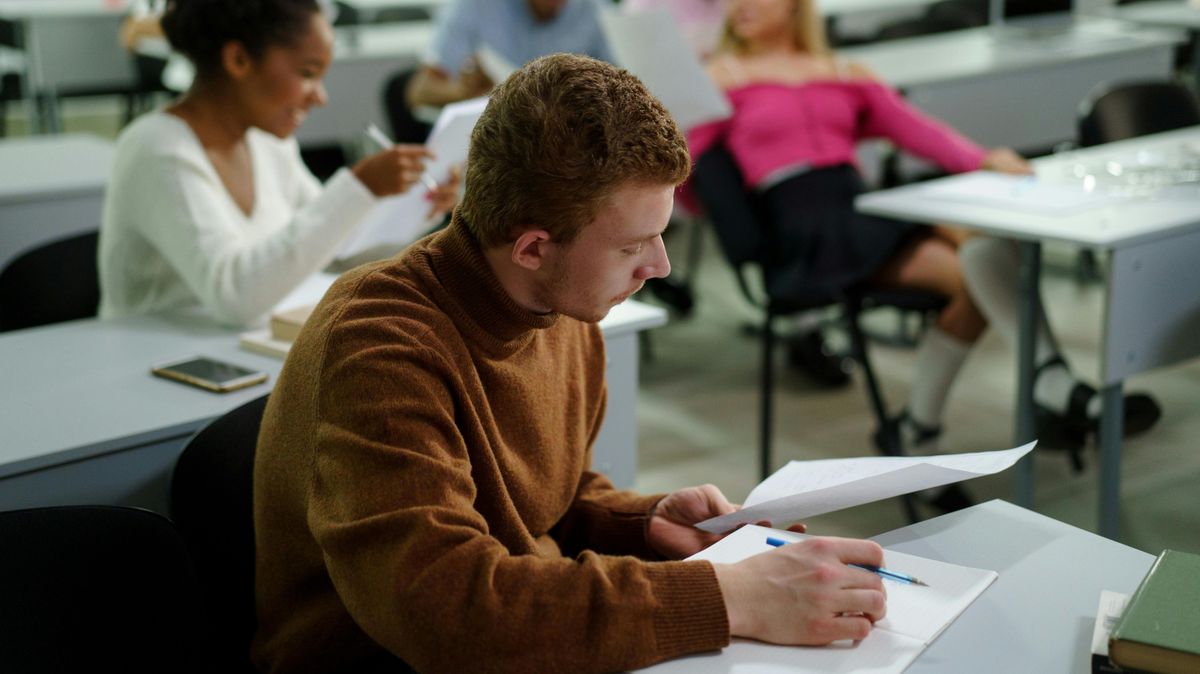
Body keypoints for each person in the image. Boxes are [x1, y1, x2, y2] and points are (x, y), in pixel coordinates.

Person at [254, 53, 890, 674]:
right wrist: (733, 598)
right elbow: (447, 612)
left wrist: (640, 523)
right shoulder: (379, 349)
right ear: (533, 247)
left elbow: (535, 499)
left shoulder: (558, 303)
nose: (660, 267)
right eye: (632, 246)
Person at [688, 0, 1159, 488]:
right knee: (985, 278)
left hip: (859, 207)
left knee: (983, 253)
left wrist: (983, 159)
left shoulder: (843, 71)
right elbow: (686, 171)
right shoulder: (721, 77)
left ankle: (935, 423)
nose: (739, 6)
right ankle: (1033, 393)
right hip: (802, 230)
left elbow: (917, 130)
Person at [99, 0, 459, 328]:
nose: (320, 96)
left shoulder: (267, 144)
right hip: (149, 365)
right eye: (307, 73)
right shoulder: (157, 148)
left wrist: (418, 208)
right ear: (238, 60)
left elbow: (334, 251)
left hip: (239, 355)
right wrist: (359, 186)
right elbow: (236, 297)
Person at [406, 0, 613, 108]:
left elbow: (620, 84)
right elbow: (420, 91)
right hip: (494, 145)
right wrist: (465, 94)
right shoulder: (476, 6)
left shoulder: (595, 9)